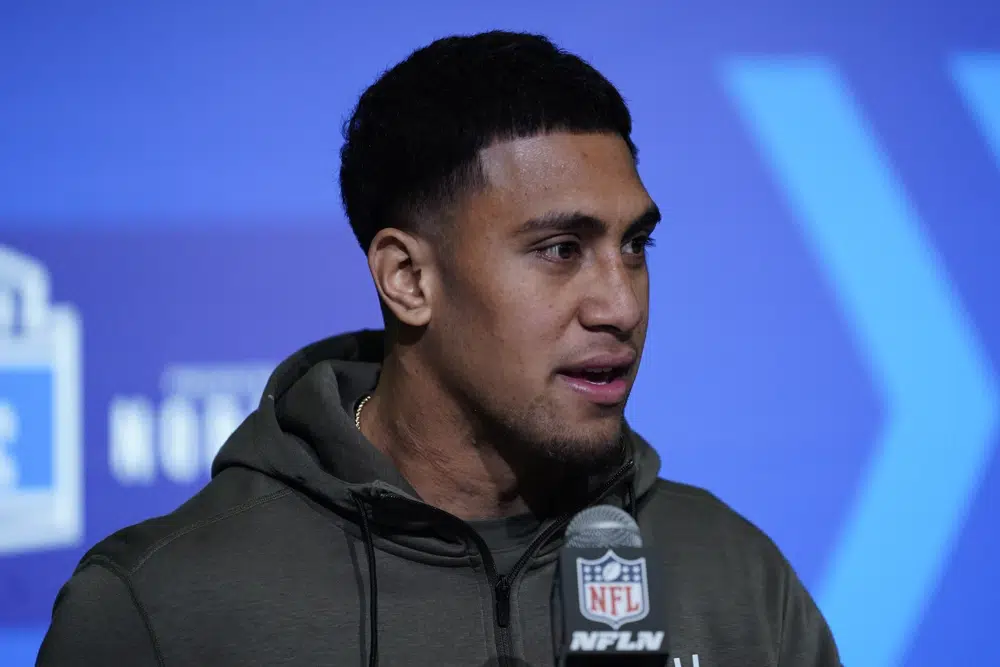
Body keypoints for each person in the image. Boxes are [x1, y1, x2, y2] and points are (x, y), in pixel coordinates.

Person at [36, 31, 841, 667]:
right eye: (562, 248)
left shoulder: (738, 580)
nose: (621, 303)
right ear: (408, 277)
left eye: (635, 246)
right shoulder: (162, 608)